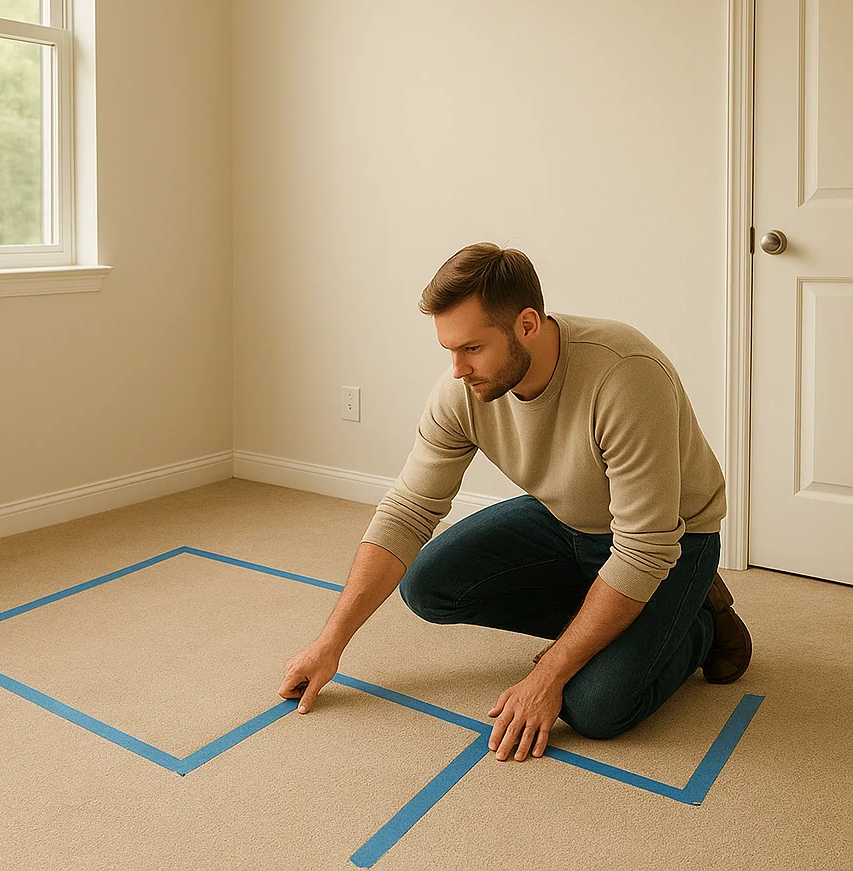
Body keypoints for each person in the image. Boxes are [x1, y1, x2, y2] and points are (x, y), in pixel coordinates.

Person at [278, 242, 752, 764]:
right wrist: (331, 643)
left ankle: (700, 622)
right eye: (449, 350)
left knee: (596, 707)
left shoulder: (624, 374)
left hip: (671, 538)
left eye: (472, 348)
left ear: (527, 323)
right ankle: (623, 618)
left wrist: (548, 674)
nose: (457, 369)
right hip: (567, 516)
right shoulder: (461, 391)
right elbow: (407, 511)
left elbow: (643, 549)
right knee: (428, 586)